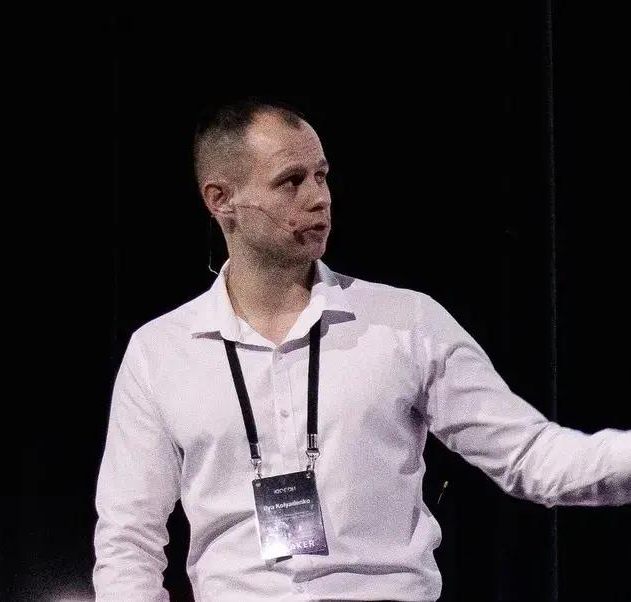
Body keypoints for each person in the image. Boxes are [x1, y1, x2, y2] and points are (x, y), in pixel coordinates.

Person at [93, 100, 630, 602]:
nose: (319, 197)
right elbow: (128, 540)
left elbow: (532, 458)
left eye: (321, 175)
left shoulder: (404, 323)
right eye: (291, 181)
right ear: (221, 200)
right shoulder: (160, 352)